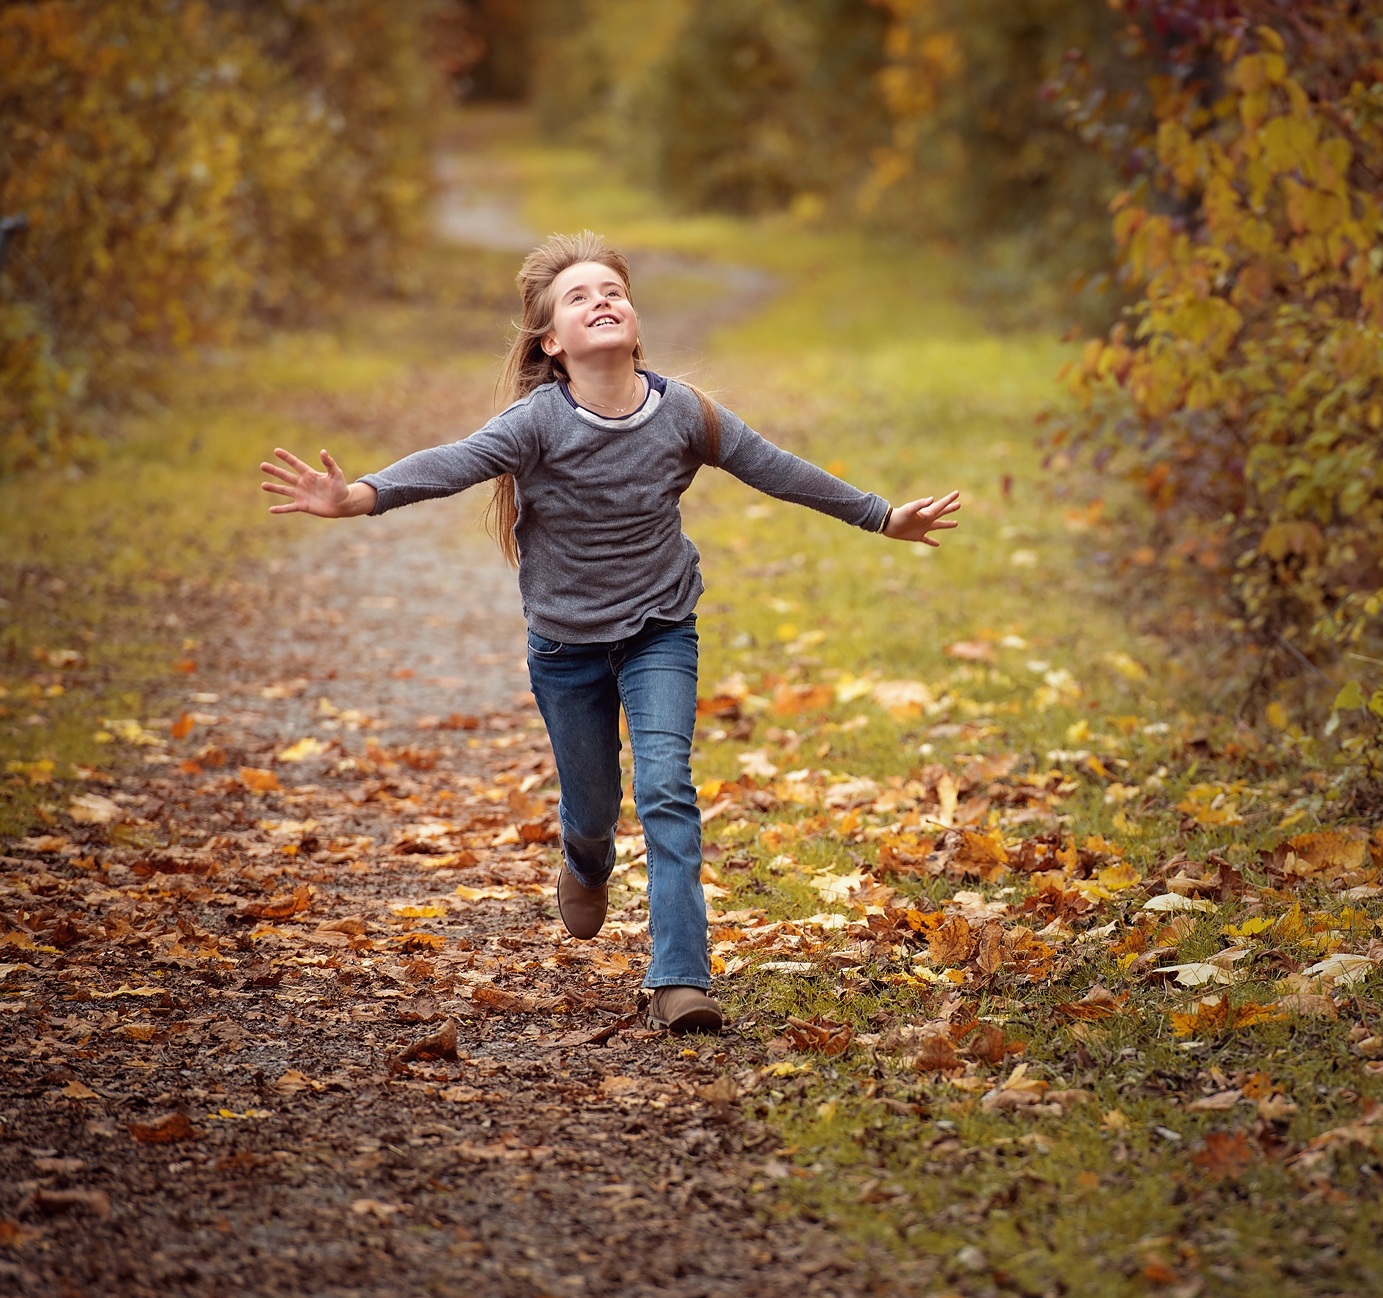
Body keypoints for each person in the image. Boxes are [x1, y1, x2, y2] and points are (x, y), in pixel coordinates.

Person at [258, 231, 960, 1033]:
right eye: (579, 297)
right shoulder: (537, 423)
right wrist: (359, 495)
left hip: (661, 627)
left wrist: (881, 515)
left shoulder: (685, 413)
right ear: (552, 342)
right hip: (566, 647)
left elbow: (779, 466)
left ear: (633, 319)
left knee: (666, 787)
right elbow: (452, 461)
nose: (602, 300)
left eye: (613, 290)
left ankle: (679, 979)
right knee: (592, 812)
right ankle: (586, 860)